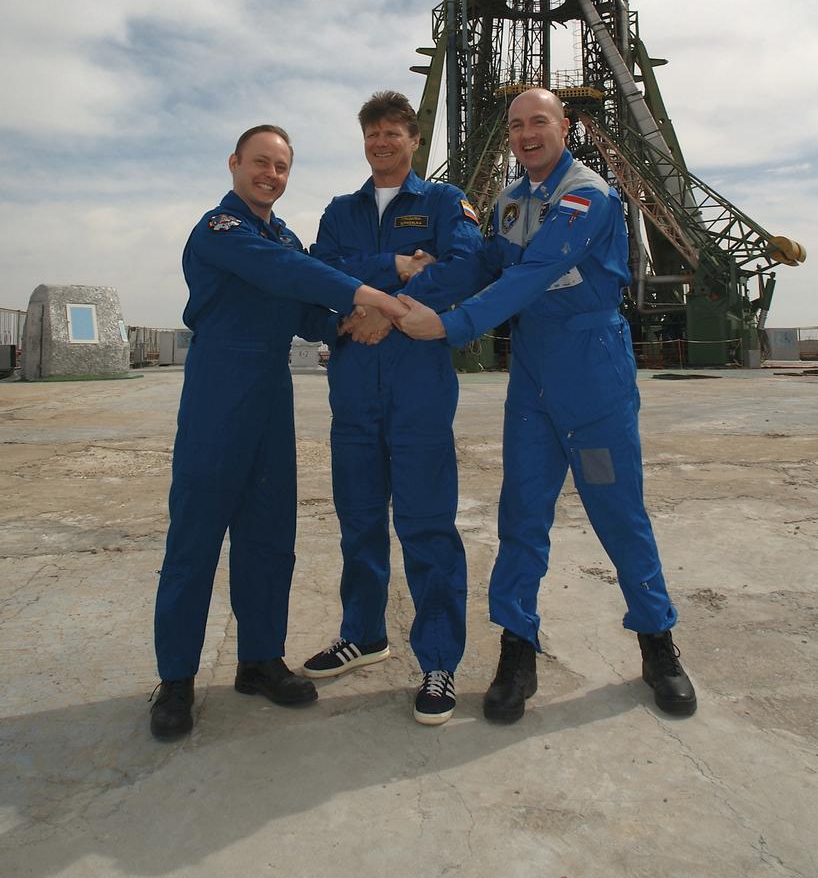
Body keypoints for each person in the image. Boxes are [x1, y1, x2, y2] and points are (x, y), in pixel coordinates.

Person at [396, 88, 697, 723]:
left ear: (565, 127)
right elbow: (482, 267)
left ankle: (657, 643)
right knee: (522, 516)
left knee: (618, 512)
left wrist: (450, 327)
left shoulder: (589, 195)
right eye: (516, 125)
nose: (527, 134)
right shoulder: (508, 205)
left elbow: (532, 273)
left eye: (540, 122)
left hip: (592, 376)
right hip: (532, 378)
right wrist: (397, 289)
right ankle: (517, 646)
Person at [150, 125, 406, 739]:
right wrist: (369, 295)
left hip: (270, 395)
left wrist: (351, 319)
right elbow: (291, 275)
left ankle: (259, 660)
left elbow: (306, 309)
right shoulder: (223, 231)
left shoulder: (282, 234)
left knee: (269, 535)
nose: (271, 174)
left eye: (282, 167)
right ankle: (177, 680)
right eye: (261, 162)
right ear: (235, 163)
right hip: (218, 393)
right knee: (195, 539)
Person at [301, 92, 484, 725]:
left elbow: (466, 267)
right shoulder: (340, 209)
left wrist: (378, 306)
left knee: (427, 525)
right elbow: (318, 271)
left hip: (417, 388)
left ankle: (438, 660)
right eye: (373, 134)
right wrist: (394, 269)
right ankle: (365, 633)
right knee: (358, 519)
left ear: (414, 140)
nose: (383, 143)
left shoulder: (442, 201)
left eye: (394, 134)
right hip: (353, 389)